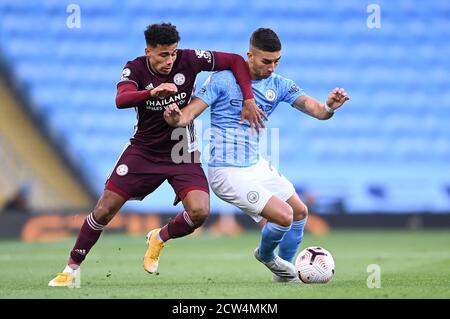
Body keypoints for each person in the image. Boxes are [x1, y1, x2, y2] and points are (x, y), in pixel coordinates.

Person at [48, 22, 266, 287]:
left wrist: (248, 98)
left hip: (181, 150)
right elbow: (121, 99)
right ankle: (71, 269)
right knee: (104, 210)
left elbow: (234, 60)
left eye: (173, 53)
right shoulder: (135, 67)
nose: (170, 60)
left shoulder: (190, 59)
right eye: (163, 54)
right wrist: (152, 92)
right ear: (148, 51)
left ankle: (159, 237)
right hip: (144, 151)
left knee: (199, 212)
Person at [164, 28, 349, 282]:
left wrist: (329, 106)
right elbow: (188, 114)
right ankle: (266, 255)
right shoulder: (222, 80)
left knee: (299, 211)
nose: (272, 67)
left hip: (255, 165)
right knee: (283, 215)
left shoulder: (279, 84)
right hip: (226, 171)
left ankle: (283, 276)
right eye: (266, 61)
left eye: (276, 61)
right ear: (249, 55)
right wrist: (176, 118)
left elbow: (318, 111)